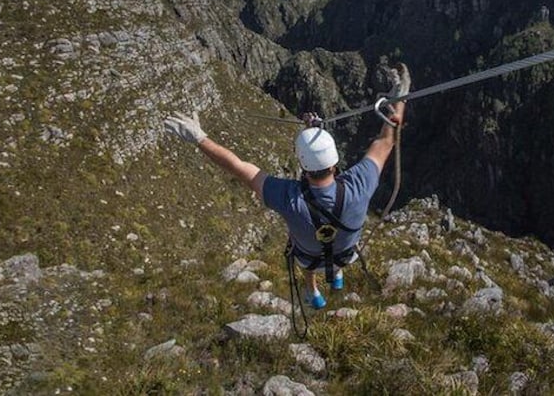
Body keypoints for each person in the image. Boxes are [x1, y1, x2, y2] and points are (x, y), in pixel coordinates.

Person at [164, 63, 410, 309]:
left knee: (306, 259)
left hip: (309, 257)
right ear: (335, 164)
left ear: (303, 167)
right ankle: (336, 275)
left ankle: (313, 292)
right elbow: (385, 141)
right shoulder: (360, 185)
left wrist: (199, 138)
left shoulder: (287, 197)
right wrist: (399, 100)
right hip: (347, 254)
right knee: (333, 252)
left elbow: (238, 166)